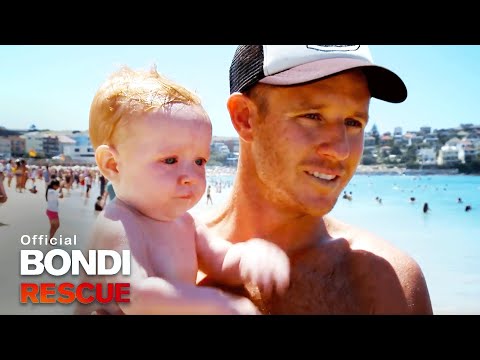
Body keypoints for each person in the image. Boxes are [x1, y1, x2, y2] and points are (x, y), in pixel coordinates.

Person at [196, 45, 433, 314]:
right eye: (313, 116)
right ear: (245, 117)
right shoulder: (154, 255)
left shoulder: (388, 282)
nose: (341, 150)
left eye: (354, 122)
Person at [76, 65, 290, 315]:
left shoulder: (186, 224)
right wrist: (214, 303)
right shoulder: (118, 225)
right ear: (113, 165)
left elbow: (221, 260)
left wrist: (250, 257)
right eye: (170, 160)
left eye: (200, 161)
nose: (190, 177)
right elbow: (135, 295)